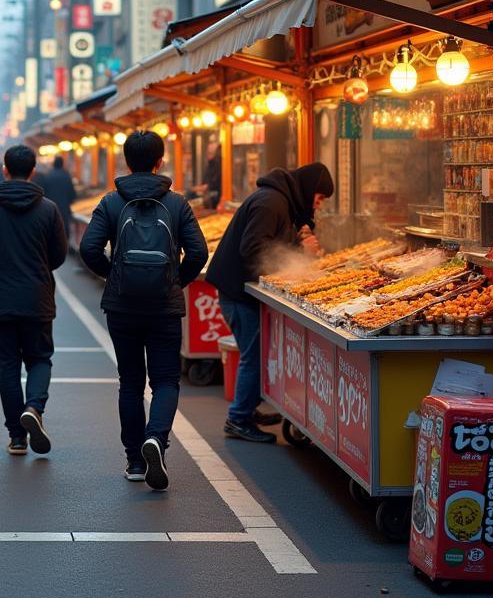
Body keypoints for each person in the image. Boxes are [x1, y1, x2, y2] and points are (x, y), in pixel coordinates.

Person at [79, 130, 208, 491]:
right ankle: (157, 440)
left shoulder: (111, 202)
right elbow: (198, 253)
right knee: (166, 379)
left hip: (122, 306)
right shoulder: (178, 203)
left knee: (131, 382)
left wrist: (114, 276)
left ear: (125, 160)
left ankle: (136, 460)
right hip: (164, 307)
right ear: (160, 161)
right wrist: (175, 281)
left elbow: (88, 249)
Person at [206, 162, 334, 444]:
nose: (319, 205)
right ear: (310, 190)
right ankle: (238, 418)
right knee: (254, 355)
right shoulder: (270, 202)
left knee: (258, 353)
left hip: (242, 290)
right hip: (238, 292)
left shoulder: (279, 200)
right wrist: (299, 249)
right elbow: (253, 249)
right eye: (319, 199)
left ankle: (248, 409)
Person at [0, 144, 67, 455]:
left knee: (7, 366)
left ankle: (17, 437)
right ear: (33, 171)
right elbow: (58, 256)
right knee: (40, 358)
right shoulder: (48, 209)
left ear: (5, 170)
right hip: (37, 298)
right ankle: (34, 407)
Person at [40, 155, 77, 241]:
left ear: (53, 164)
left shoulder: (48, 176)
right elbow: (72, 193)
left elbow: (43, 193)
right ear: (62, 164)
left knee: (51, 230)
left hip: (50, 209)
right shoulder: (66, 176)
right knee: (63, 230)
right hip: (64, 209)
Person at [192, 139, 222, 210]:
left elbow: (208, 185)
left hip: (216, 199)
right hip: (210, 198)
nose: (208, 155)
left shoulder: (218, 164)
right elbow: (205, 183)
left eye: (210, 153)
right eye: (208, 152)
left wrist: (194, 189)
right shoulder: (210, 165)